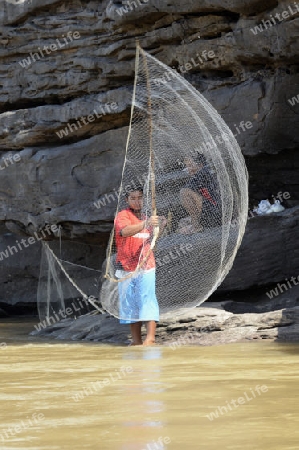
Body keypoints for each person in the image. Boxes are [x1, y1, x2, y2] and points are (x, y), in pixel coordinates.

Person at [114, 186, 166, 346]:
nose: (137, 201)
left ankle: (150, 339)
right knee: (130, 304)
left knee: (147, 299)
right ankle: (136, 341)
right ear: (127, 201)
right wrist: (146, 223)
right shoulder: (123, 216)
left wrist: (160, 227)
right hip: (126, 268)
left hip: (146, 266)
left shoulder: (148, 218)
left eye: (140, 198)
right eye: (133, 198)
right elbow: (124, 232)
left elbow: (152, 244)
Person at [179, 154, 221, 233]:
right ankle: (195, 223)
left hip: (216, 213)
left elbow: (189, 188)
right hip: (213, 211)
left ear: (200, 165)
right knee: (182, 222)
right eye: (187, 166)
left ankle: (196, 225)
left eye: (191, 165)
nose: (188, 169)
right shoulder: (205, 173)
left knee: (184, 192)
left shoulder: (204, 173)